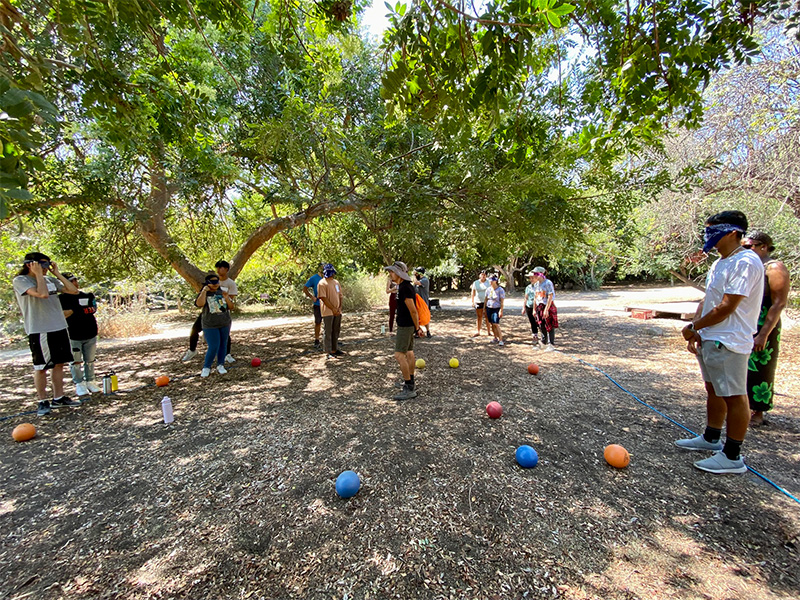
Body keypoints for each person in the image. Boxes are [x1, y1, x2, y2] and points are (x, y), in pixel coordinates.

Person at [676, 210, 764, 474]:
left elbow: (727, 306)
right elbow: (710, 299)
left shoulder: (745, 262)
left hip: (730, 340)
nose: (708, 235)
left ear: (733, 232)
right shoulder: (720, 262)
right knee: (713, 389)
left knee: (735, 395)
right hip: (711, 337)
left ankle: (733, 455)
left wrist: (693, 326)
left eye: (713, 229)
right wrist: (698, 328)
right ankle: (711, 437)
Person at [13, 252, 82, 416]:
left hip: (59, 326)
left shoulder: (50, 280)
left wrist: (56, 273)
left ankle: (59, 397)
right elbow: (42, 294)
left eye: (47, 265)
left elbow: (73, 291)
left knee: (60, 363)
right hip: (40, 329)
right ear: (31, 264)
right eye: (43, 266)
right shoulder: (21, 281)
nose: (46, 269)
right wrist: (38, 275)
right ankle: (42, 401)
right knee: (42, 366)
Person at [741, 231, 790, 426]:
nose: (746, 250)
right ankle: (742, 408)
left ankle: (758, 411)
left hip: (764, 323)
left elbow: (778, 303)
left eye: (749, 246)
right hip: (747, 320)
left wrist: (763, 335)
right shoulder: (750, 266)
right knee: (741, 365)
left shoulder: (774, 268)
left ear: (763, 246)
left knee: (760, 368)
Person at [182, 260, 238, 363]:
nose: (218, 270)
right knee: (195, 329)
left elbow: (231, 300)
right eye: (217, 268)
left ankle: (227, 354)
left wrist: (222, 297)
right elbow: (200, 301)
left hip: (221, 313)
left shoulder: (230, 283)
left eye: (220, 268)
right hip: (207, 313)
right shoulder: (210, 281)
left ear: (226, 269)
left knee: (225, 335)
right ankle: (192, 350)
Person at [59, 273, 101, 397]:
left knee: (90, 360)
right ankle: (79, 383)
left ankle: (90, 380)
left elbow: (92, 308)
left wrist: (75, 310)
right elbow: (62, 314)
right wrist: (76, 310)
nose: (74, 283)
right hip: (73, 334)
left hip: (90, 332)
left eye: (75, 280)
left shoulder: (87, 295)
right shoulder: (61, 299)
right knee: (75, 361)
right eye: (71, 281)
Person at [385, 261, 421, 401]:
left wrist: (417, 328)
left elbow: (413, 310)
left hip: (406, 326)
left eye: (392, 272)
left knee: (399, 355)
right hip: (406, 325)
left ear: (399, 273)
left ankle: (408, 387)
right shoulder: (402, 286)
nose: (390, 274)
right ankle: (410, 381)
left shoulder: (406, 288)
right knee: (409, 352)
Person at [194, 272, 232, 378]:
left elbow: (231, 306)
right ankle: (206, 367)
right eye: (212, 282)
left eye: (217, 281)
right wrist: (204, 291)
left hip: (224, 322)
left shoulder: (222, 292)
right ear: (207, 283)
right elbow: (199, 304)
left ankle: (220, 365)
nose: (215, 284)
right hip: (209, 324)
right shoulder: (204, 293)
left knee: (223, 344)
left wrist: (227, 297)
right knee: (214, 345)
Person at [317, 263, 344, 359]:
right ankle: (328, 352)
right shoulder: (322, 283)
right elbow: (323, 298)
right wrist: (332, 308)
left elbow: (340, 295)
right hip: (328, 311)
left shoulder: (336, 282)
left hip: (337, 311)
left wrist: (339, 308)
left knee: (336, 330)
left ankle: (334, 349)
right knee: (328, 331)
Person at [532, 266, 558, 350]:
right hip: (539, 306)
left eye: (536, 274)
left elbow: (550, 296)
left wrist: (546, 309)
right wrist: (534, 309)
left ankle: (551, 344)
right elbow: (536, 297)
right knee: (541, 324)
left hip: (547, 305)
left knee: (549, 324)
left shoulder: (548, 283)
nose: (534, 276)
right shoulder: (536, 284)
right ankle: (543, 342)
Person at [303, 263, 324, 348]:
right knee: (318, 322)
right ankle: (316, 340)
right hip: (318, 304)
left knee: (328, 322)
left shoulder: (327, 277)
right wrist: (312, 297)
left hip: (327, 304)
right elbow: (305, 288)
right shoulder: (314, 278)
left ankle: (329, 340)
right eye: (322, 267)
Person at [485, 275, 505, 346]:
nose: (490, 282)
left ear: (495, 281)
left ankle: (501, 339)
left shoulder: (500, 290)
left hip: (496, 308)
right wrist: (485, 308)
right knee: (492, 323)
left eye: (491, 280)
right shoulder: (488, 289)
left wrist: (501, 310)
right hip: (489, 307)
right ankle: (495, 337)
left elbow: (502, 301)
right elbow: (486, 299)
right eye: (489, 280)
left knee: (496, 323)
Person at [470, 270, 492, 337]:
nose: (483, 276)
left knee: (487, 316)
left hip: (487, 301)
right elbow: (473, 292)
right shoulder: (476, 283)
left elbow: (491, 291)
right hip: (478, 301)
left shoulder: (488, 282)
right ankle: (478, 331)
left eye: (484, 275)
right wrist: (472, 301)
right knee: (479, 316)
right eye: (482, 274)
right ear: (480, 275)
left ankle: (489, 331)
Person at [413, 267, 432, 338]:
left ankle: (428, 331)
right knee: (417, 317)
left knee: (425, 318)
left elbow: (416, 282)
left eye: (416, 273)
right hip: (417, 303)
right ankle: (417, 331)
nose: (415, 274)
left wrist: (414, 276)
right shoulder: (416, 282)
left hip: (424, 302)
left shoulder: (425, 280)